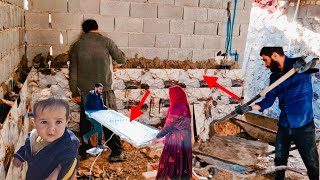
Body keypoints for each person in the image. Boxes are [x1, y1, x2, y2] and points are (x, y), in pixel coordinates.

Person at [235, 47, 319, 180]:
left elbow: (314, 61)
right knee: (279, 160)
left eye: (265, 60)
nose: (265, 64)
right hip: (285, 125)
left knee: (312, 163)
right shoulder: (274, 77)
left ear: (274, 55)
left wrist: (308, 61)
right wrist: (248, 108)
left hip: (304, 125)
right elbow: (267, 102)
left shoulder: (300, 65)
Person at [69, 19, 126, 161]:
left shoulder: (77, 46)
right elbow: (121, 59)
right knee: (110, 122)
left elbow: (73, 71)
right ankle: (117, 152)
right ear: (97, 28)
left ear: (84, 30)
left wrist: (75, 92)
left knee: (86, 123)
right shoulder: (106, 42)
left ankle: (86, 151)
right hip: (104, 90)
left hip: (86, 92)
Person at [12, 97, 80, 180]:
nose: (51, 128)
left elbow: (70, 163)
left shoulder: (67, 147)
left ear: (66, 123)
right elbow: (28, 148)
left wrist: (57, 171)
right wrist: (19, 157)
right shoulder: (34, 137)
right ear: (34, 123)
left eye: (58, 122)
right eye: (44, 122)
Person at [151, 85, 192, 180]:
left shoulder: (176, 108)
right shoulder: (184, 106)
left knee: (171, 163)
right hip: (185, 139)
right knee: (181, 162)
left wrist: (157, 137)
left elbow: (168, 126)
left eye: (170, 94)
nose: (169, 97)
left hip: (176, 140)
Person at [83, 83, 108, 149]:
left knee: (99, 128)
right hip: (90, 115)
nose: (101, 90)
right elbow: (86, 106)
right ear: (95, 88)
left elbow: (102, 106)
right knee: (99, 127)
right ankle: (98, 143)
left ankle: (98, 143)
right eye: (100, 89)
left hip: (98, 115)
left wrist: (108, 109)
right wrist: (91, 113)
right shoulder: (89, 95)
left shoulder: (100, 96)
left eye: (101, 89)